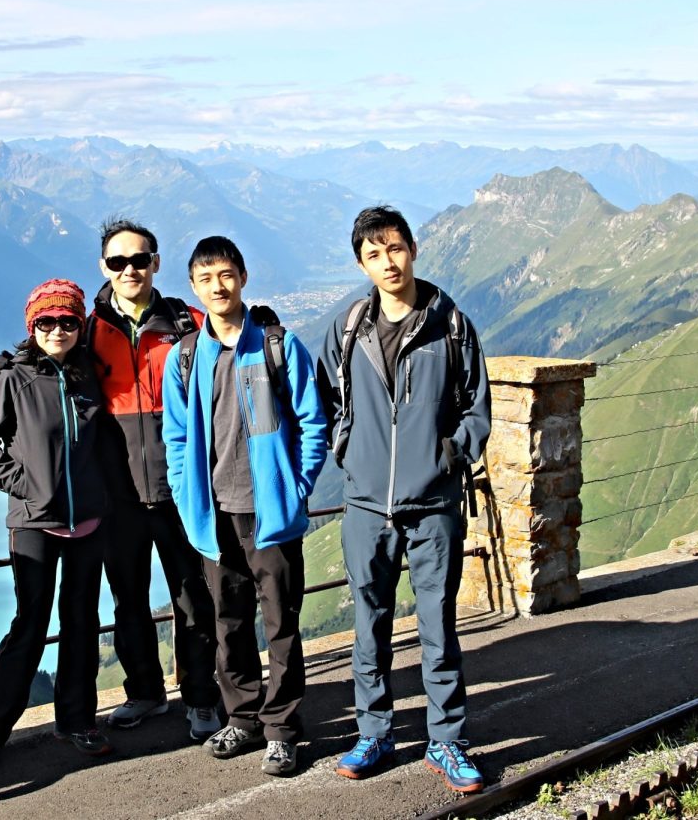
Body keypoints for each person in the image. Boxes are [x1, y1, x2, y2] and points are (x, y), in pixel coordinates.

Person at [315, 206, 492, 793]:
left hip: (434, 502)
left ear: (413, 248)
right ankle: (374, 733)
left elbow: (475, 407)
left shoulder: (452, 325)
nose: (387, 262)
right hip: (366, 505)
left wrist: (451, 455)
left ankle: (446, 741)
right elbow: (329, 403)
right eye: (373, 254)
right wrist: (349, 447)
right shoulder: (347, 329)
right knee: (371, 625)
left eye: (394, 248)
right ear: (361, 263)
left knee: (439, 624)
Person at [162, 236, 328, 777]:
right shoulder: (186, 358)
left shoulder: (278, 345)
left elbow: (312, 421)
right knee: (228, 624)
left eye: (226, 274)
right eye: (206, 278)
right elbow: (178, 439)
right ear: (193, 287)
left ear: (243, 277)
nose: (218, 286)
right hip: (215, 516)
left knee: (281, 626)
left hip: (271, 516)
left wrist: (295, 487)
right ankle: (245, 718)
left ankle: (282, 730)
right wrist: (189, 506)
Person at [0, 278, 123, 771]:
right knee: (28, 627)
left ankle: (77, 721)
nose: (58, 329)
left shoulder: (89, 375)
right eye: (47, 321)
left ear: (80, 325)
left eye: (68, 321)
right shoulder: (13, 379)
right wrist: (30, 485)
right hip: (35, 523)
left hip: (89, 522)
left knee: (81, 625)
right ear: (32, 327)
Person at [87, 218, 222, 741]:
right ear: (104, 267)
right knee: (128, 601)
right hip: (118, 493)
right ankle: (144, 692)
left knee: (193, 599)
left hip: (180, 488)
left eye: (139, 260)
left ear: (156, 264)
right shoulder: (88, 327)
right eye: (118, 262)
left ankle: (202, 697)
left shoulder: (187, 323)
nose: (129, 270)